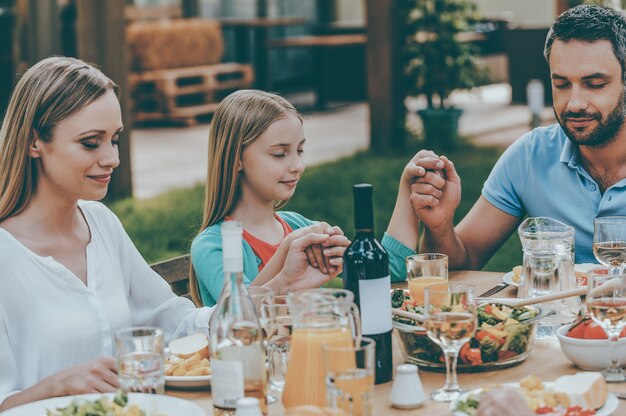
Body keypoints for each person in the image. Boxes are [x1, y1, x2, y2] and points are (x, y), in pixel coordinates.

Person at [0, 57, 323, 410]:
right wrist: (56, 386)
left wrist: (280, 286)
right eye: (91, 143)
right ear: (34, 142)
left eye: (115, 140)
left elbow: (176, 327)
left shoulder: (101, 224)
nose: (112, 159)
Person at [395, 4, 626, 271]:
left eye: (594, 84)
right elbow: (463, 261)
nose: (574, 103)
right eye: (561, 84)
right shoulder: (530, 156)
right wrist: (440, 227)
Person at [190, 90, 355, 307]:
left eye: (300, 150)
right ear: (236, 159)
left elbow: (392, 273)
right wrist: (285, 253)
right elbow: (239, 315)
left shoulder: (300, 226)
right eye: (279, 154)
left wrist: (354, 259)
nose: (298, 166)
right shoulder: (211, 246)